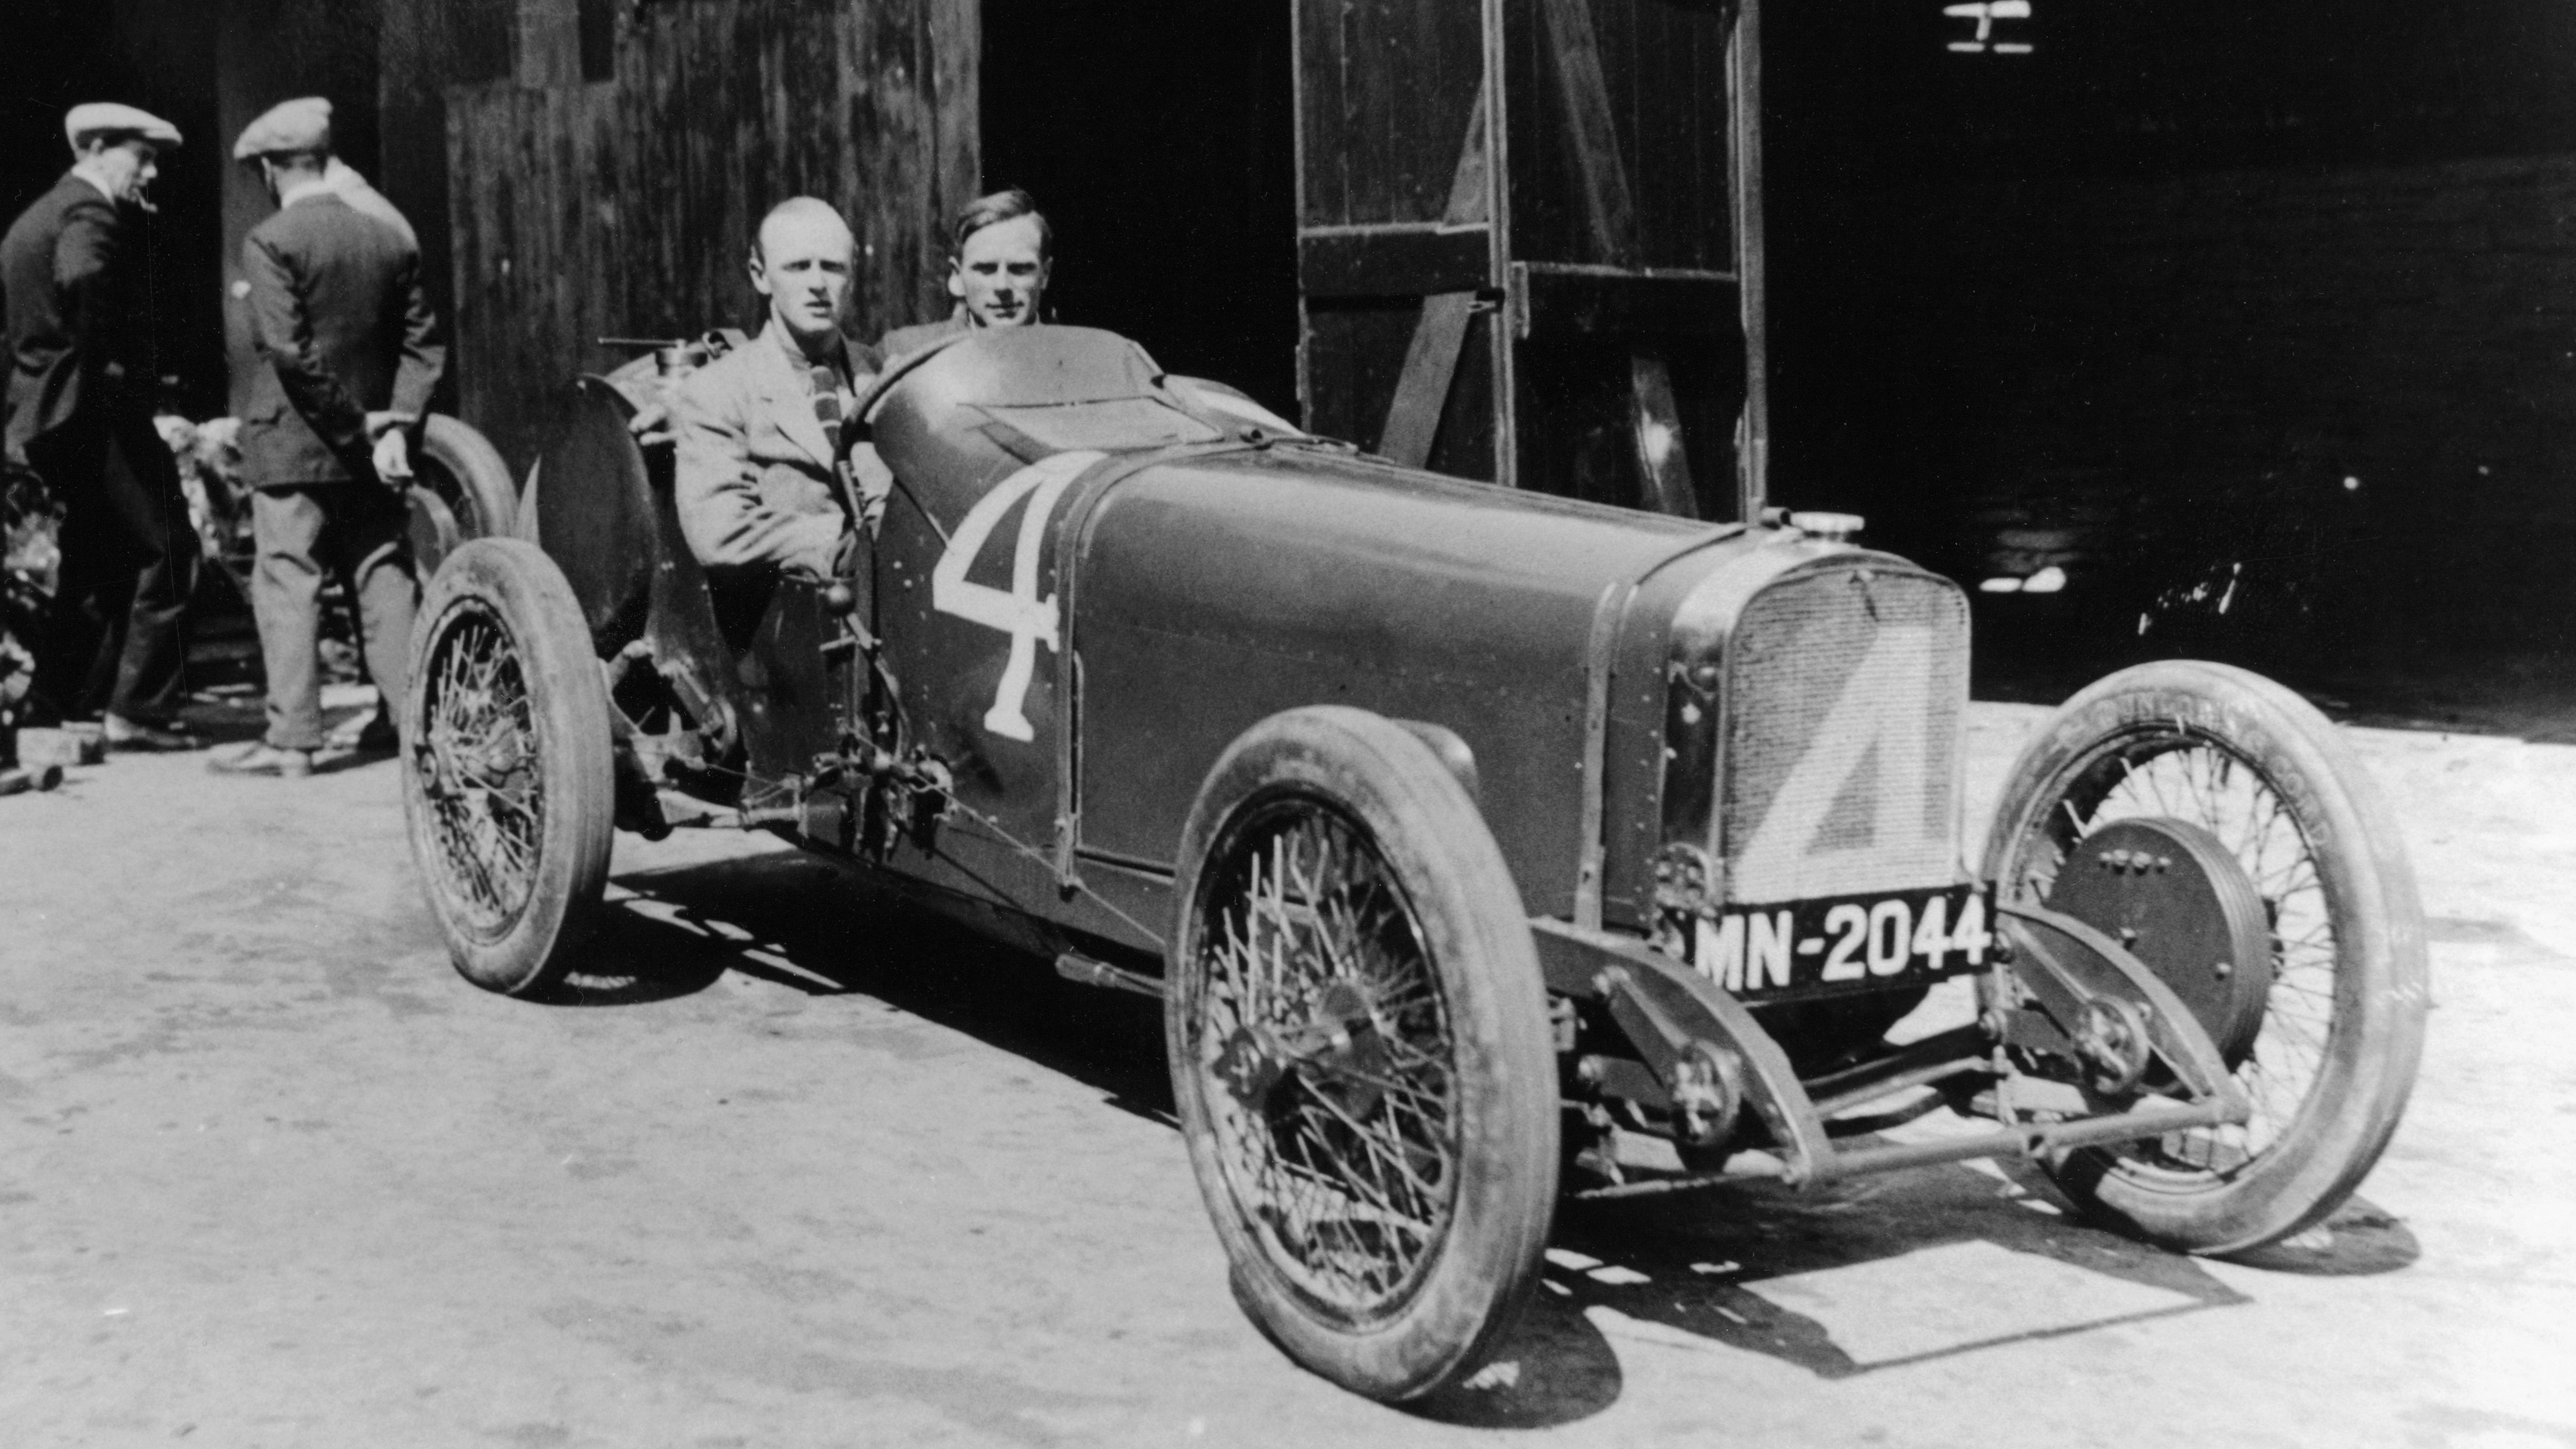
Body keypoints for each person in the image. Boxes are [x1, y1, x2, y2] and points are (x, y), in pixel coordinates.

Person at [207, 97, 444, 778]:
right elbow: (423, 345)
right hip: (374, 446)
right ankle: (412, 725)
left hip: (293, 444)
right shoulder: (388, 237)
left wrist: (352, 426)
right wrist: (392, 424)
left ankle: (296, 742)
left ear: (274, 169)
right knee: (382, 575)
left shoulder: (273, 240)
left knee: (289, 581)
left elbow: (288, 352)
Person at [2, 103, 202, 750]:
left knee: (94, 557)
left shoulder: (34, 218)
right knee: (168, 545)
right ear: (93, 148)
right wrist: (110, 368)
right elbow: (86, 275)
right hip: (92, 406)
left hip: (45, 412)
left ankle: (61, 703)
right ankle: (140, 710)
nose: (149, 173)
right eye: (140, 157)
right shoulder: (90, 211)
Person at [671, 197, 882, 581]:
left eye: (833, 267)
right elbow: (721, 532)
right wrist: (851, 539)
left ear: (852, 277)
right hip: (793, 623)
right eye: (799, 267)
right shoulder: (718, 391)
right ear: (760, 275)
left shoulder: (885, 377)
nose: (818, 284)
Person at [877, 188, 1054, 357]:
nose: (1003, 286)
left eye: (1020, 269)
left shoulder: (1072, 354)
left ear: (1045, 274)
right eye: (986, 269)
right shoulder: (905, 351)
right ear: (957, 276)